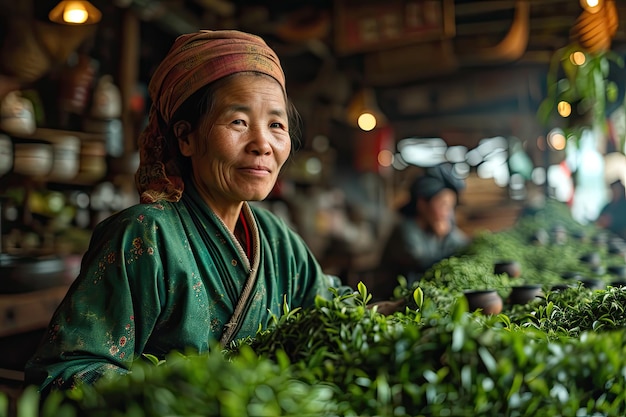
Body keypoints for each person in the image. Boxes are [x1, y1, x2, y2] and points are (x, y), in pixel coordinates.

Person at [24, 30, 400, 395]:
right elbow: (64, 373)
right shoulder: (144, 236)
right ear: (186, 137)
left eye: (276, 125)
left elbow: (333, 314)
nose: (262, 144)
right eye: (238, 122)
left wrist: (404, 314)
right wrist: (190, 395)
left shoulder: (276, 239)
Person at [375, 164, 470, 299]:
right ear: (422, 204)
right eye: (443, 205)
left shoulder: (439, 226)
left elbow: (464, 245)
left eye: (451, 206)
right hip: (394, 300)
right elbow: (421, 261)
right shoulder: (405, 229)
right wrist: (444, 237)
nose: (447, 213)